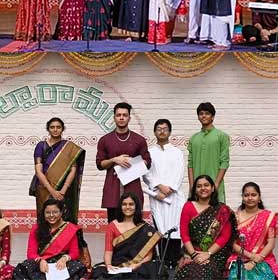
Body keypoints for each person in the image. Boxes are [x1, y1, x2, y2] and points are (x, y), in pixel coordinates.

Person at [96, 102, 151, 222]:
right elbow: (99, 164)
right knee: (114, 227)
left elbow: (148, 161)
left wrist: (133, 163)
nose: (121, 118)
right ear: (114, 117)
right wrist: (114, 160)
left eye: (124, 115)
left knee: (134, 229)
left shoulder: (139, 140)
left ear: (129, 118)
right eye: (118, 115)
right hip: (113, 188)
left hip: (133, 187)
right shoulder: (105, 140)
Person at [142, 119, 185, 270]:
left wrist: (170, 188)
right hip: (157, 196)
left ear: (170, 132)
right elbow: (145, 173)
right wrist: (159, 186)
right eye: (159, 129)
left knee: (175, 228)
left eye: (165, 129)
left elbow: (180, 173)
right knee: (160, 229)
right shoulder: (149, 153)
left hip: (174, 197)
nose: (162, 131)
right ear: (154, 132)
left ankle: (174, 260)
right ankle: (163, 263)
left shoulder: (177, 152)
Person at [175, 175, 236, 280]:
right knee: (190, 272)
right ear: (195, 190)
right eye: (199, 186)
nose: (203, 188)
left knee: (208, 272)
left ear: (212, 188)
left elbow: (225, 236)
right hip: (192, 251)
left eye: (206, 185)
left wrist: (208, 253)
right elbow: (184, 234)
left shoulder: (222, 210)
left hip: (215, 254)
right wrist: (194, 255)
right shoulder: (188, 206)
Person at [90, 192, 160, 279]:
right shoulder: (113, 225)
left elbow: (148, 256)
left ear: (136, 207)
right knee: (99, 272)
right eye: (124, 204)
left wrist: (137, 265)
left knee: (150, 269)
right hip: (118, 264)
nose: (127, 207)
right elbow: (108, 250)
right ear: (120, 206)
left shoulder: (145, 228)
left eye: (131, 204)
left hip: (138, 265)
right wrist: (108, 265)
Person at [13, 199, 87, 280]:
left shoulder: (70, 229)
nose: (51, 215)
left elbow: (74, 253)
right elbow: (31, 254)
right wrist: (41, 261)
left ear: (61, 212)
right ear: (43, 214)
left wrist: (64, 258)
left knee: (78, 267)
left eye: (55, 212)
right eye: (48, 212)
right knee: (24, 267)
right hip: (42, 262)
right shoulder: (36, 229)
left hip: (61, 263)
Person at [31, 117, 85, 222]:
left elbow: (73, 169)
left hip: (63, 187)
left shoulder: (69, 147)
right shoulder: (41, 146)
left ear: (62, 129)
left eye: (58, 127)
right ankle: (44, 238)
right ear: (48, 129)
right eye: (52, 127)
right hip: (44, 187)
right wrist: (51, 190)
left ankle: (65, 238)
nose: (55, 129)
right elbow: (38, 171)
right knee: (45, 215)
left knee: (63, 215)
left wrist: (63, 191)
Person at [226, 182, 278, 280]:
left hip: (263, 258)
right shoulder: (235, 217)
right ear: (242, 198)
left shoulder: (268, 216)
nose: (250, 198)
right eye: (246, 195)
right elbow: (232, 243)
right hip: (240, 258)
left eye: (253, 195)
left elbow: (271, 243)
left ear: (259, 197)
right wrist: (250, 256)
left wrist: (255, 260)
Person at [187, 102, 229, 203]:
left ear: (213, 116)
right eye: (201, 113)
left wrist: (216, 185)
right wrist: (192, 186)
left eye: (207, 113)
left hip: (215, 187)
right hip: (196, 190)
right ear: (198, 117)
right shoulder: (194, 138)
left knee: (217, 217)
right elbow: (190, 164)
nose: (204, 116)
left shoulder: (222, 136)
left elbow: (224, 162)